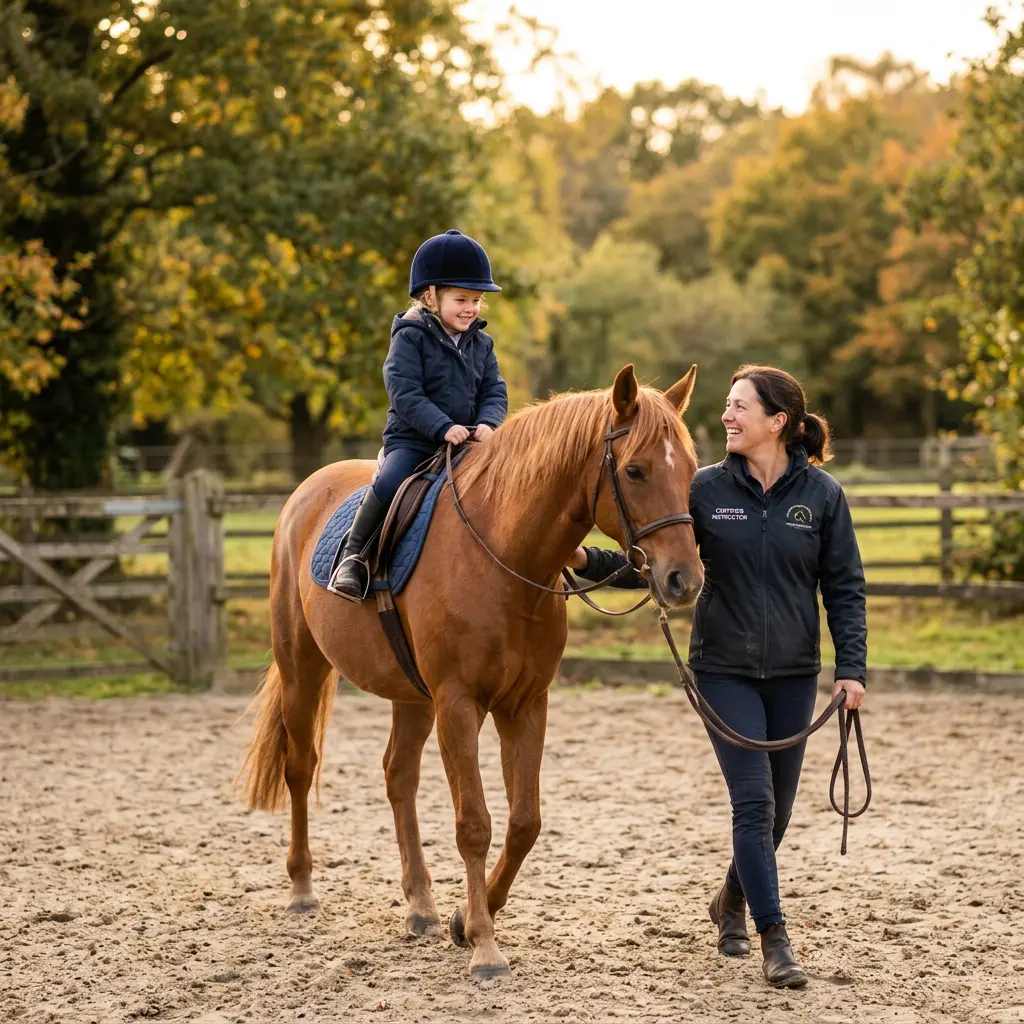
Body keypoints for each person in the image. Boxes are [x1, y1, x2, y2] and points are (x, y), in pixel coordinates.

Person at [570, 364, 867, 989]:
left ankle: (730, 900)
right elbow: (652, 554)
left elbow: (844, 588)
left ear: (777, 423)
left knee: (779, 812)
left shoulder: (822, 498)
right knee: (753, 803)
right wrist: (584, 559)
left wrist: (853, 669)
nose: (727, 417)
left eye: (739, 408)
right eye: (728, 406)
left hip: (793, 671)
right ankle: (774, 939)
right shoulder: (704, 490)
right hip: (723, 669)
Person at [330, 229, 508, 602]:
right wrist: (443, 427)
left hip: (470, 443)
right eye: (461, 299)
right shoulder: (410, 337)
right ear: (431, 296)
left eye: (476, 300)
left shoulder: (482, 342)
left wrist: (489, 424)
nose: (470, 308)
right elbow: (405, 393)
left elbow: (495, 390)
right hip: (414, 440)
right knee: (390, 481)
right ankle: (354, 556)